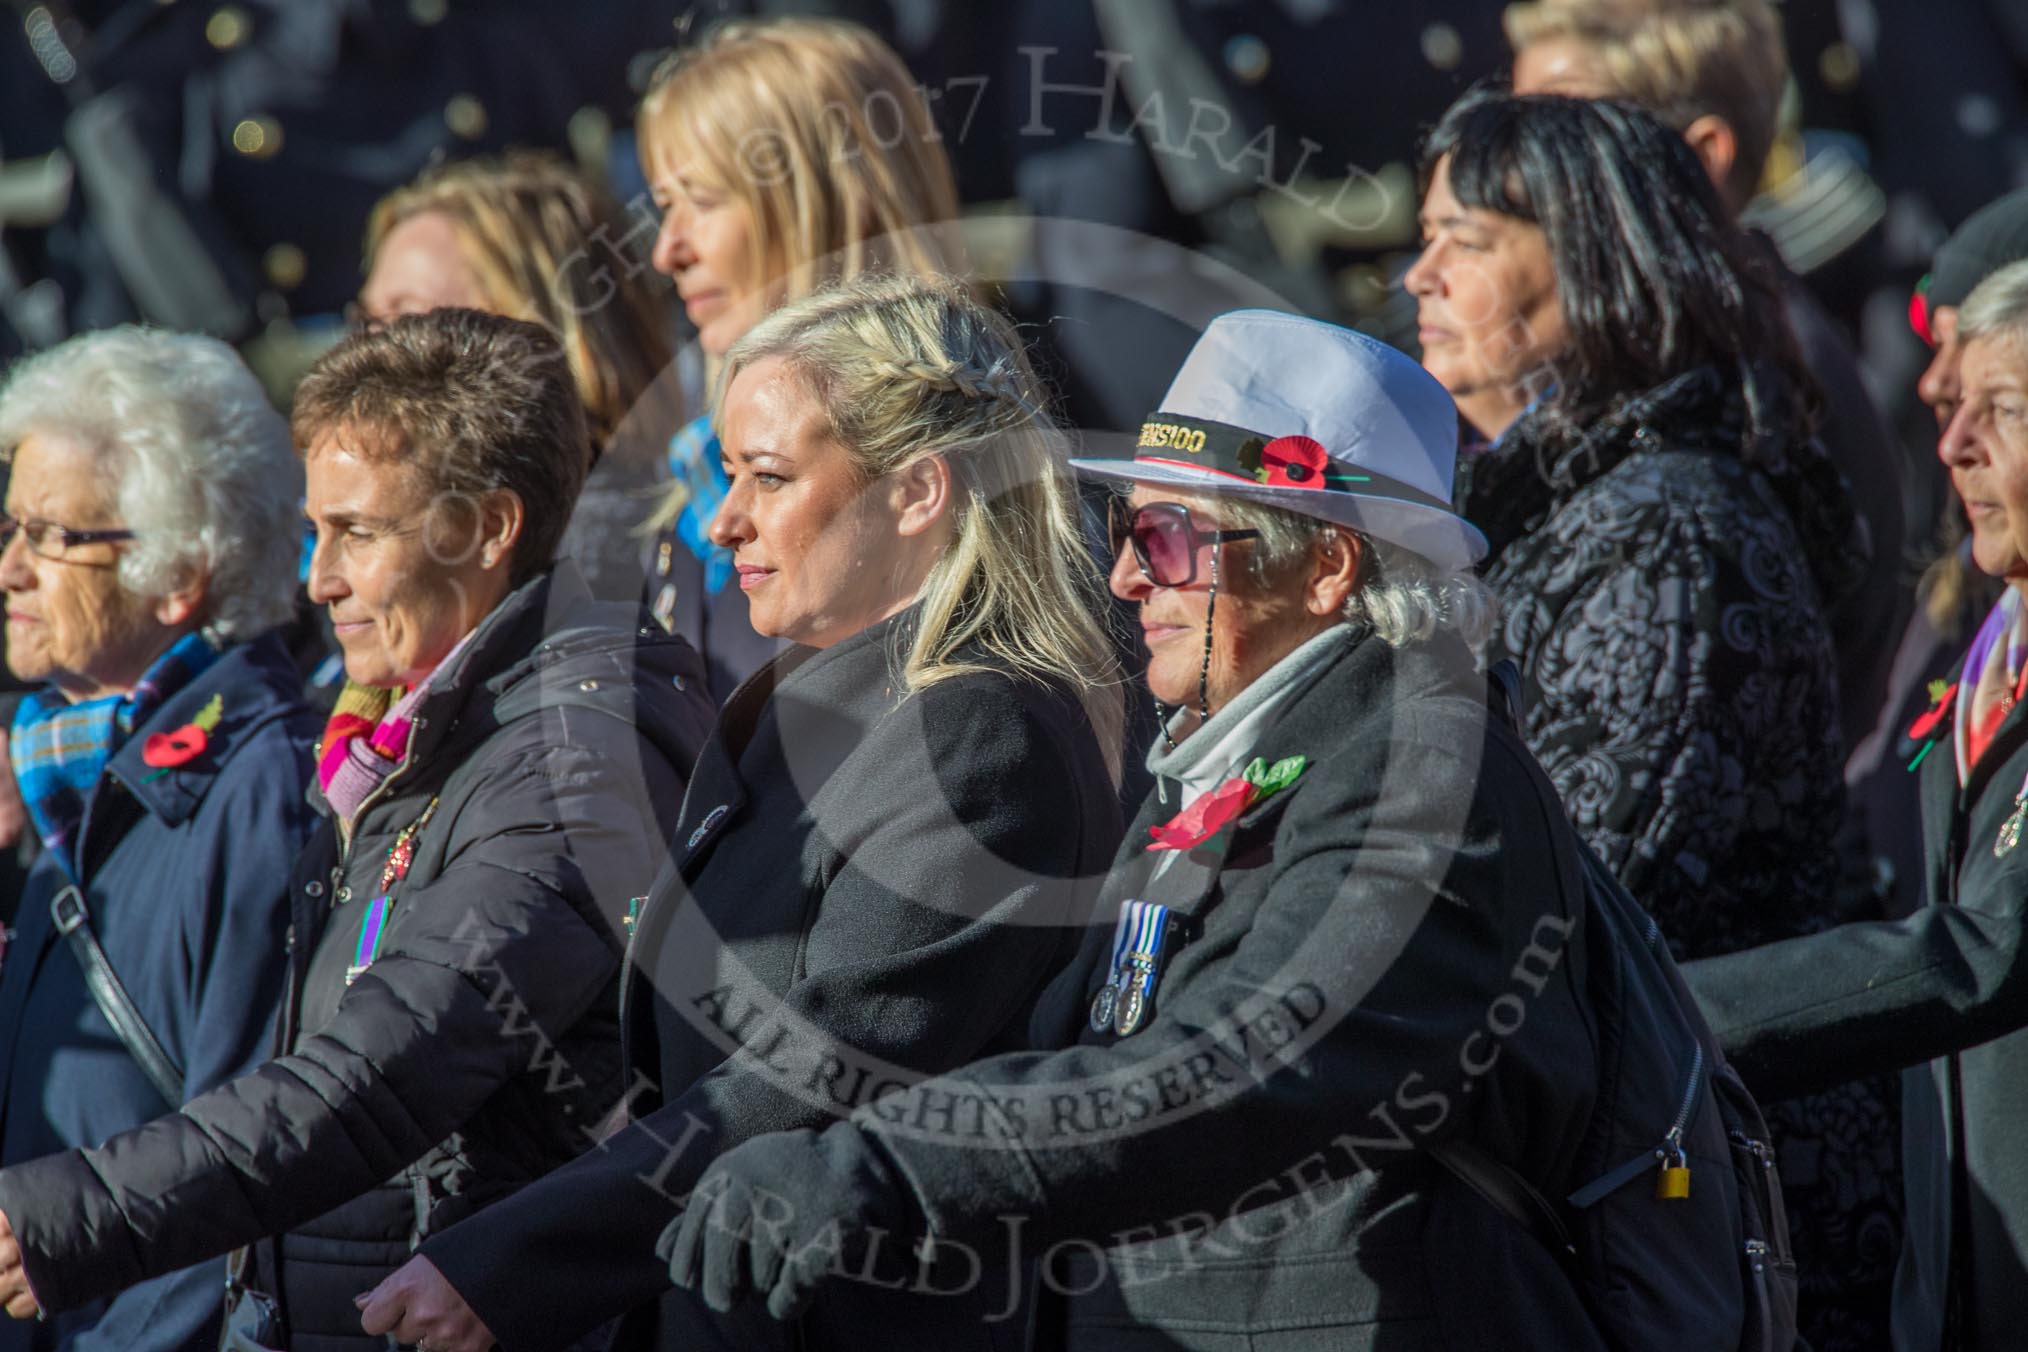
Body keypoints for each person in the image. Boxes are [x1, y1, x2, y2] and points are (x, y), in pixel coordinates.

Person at [614, 310, 1625, 1349]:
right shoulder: (1223, 759)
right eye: (1125, 533)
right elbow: (1093, 1045)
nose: (1128, 579)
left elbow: (1241, 1065)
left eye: (1169, 539)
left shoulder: (1429, 773)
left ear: (1325, 565)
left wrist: (880, 1167)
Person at [356, 274, 1126, 1351]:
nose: (725, 522)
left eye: (767, 477)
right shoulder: (823, 697)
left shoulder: (978, 732)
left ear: (915, 491)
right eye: (729, 473)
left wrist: (511, 1259)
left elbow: (815, 1074)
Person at [0, 308, 716, 1351]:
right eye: (315, 531)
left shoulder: (575, 762)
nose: (316, 577)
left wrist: (80, 1211)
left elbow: (389, 1063)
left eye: (357, 533)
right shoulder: (399, 733)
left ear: (487, 527)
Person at [1404, 86, 1896, 1347]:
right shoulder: (1566, 499)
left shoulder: (1675, 524)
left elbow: (1581, 890)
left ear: (1591, 255)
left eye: (1464, 239)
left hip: (1708, 1207)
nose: (1418, 274)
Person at [1687, 258, 2028, 1352]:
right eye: (1956, 405)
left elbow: (1990, 946)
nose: (1955, 443)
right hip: (1962, 1270)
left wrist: (1671, 1012)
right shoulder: (1991, 645)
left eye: (2006, 411)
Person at [0, 328, 315, 1351]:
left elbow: (242, 1169)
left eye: (52, 536)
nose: (9, 567)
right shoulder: (76, 775)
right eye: (11, 523)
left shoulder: (260, 786)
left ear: (178, 573)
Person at [1504, 0, 1911, 770]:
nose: (1517, 178)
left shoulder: (1753, 385)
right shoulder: (1702, 344)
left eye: (1568, 137)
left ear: (1703, 158)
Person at [633, 15, 963, 699]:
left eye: (701, 201)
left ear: (834, 204)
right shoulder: (688, 485)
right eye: (665, 207)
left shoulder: (969, 489)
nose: (669, 251)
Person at [358, 150, 680, 603]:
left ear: (540, 333)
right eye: (365, 321)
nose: (364, 353)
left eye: (406, 321)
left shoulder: (574, 561)